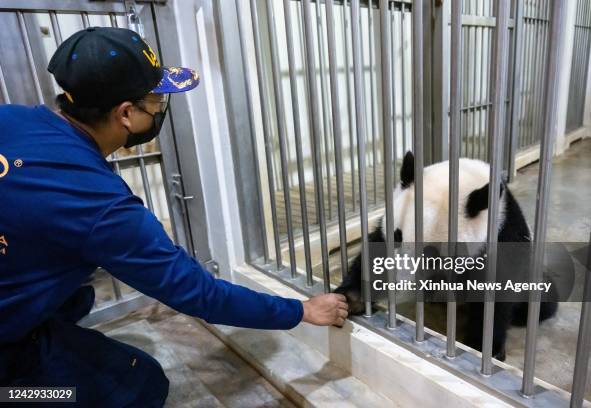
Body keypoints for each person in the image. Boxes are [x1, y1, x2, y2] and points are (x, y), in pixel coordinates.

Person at [0, 27, 348, 407]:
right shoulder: (100, 205)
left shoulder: (11, 118)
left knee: (74, 298)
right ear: (126, 114)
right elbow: (200, 294)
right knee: (139, 385)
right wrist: (302, 310)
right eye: (156, 103)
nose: (160, 111)